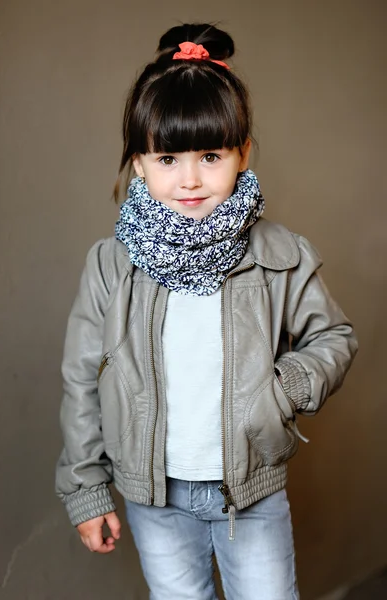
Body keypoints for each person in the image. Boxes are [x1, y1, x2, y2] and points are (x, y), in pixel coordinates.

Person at [55, 22, 358, 600]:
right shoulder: (111, 265)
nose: (189, 179)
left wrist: (283, 388)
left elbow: (335, 337)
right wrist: (86, 490)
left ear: (242, 153)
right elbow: (80, 381)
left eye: (210, 155)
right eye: (167, 157)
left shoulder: (277, 255)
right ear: (139, 163)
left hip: (252, 491)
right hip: (155, 498)